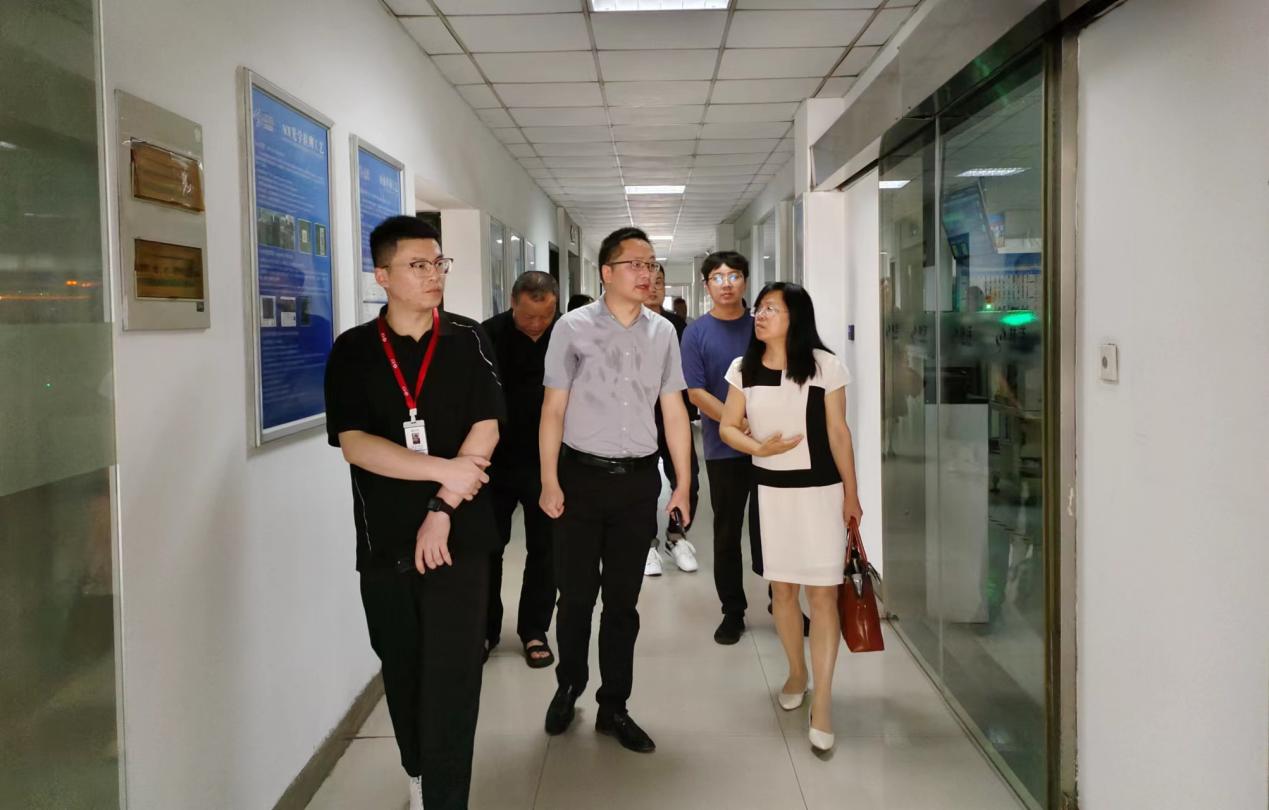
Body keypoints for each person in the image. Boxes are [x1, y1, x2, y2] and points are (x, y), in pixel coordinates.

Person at [324, 216, 505, 810]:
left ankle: (447, 797)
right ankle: (418, 770)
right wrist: (443, 470)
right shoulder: (353, 350)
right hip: (386, 541)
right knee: (402, 667)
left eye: (438, 263)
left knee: (454, 676)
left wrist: (442, 506)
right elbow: (356, 444)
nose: (434, 275)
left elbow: (486, 427)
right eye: (418, 265)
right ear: (382, 276)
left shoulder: (469, 338)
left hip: (460, 534)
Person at [539, 227, 693, 755]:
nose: (646, 273)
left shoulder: (663, 333)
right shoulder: (571, 328)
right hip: (579, 481)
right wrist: (549, 479)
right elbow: (552, 410)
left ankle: (615, 705)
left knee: (623, 603)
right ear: (606, 273)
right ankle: (569, 686)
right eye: (635, 264)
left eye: (651, 264)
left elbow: (674, 411)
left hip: (637, 483)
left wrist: (682, 484)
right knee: (575, 598)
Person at [718, 282, 863, 755]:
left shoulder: (825, 366)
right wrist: (758, 448)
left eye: (771, 309)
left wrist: (852, 495)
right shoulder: (744, 368)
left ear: (795, 317)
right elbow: (727, 426)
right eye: (759, 309)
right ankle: (796, 672)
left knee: (823, 595)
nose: (759, 316)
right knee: (782, 591)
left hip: (822, 493)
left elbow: (838, 433)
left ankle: (823, 702)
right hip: (771, 493)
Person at [481, 271, 559, 668]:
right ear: (512, 302)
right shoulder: (485, 336)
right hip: (494, 462)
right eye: (529, 316)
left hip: (549, 462)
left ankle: (534, 629)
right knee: (488, 547)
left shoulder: (565, 335)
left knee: (546, 549)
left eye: (546, 316)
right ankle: (486, 630)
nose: (537, 324)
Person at [680, 251, 757, 643]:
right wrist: (736, 422)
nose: (726, 284)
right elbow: (696, 392)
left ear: (745, 281)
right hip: (724, 447)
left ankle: (783, 601)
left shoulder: (763, 325)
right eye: (718, 277)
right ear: (706, 285)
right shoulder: (696, 333)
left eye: (734, 276)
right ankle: (733, 611)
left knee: (773, 530)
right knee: (727, 531)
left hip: (771, 445)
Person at [643, 263, 700, 576]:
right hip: (639, 419)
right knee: (644, 484)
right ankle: (647, 543)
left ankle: (676, 537)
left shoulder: (679, 327)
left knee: (687, 478)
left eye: (659, 282)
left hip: (675, 417)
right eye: (648, 282)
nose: (653, 288)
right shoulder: (627, 325)